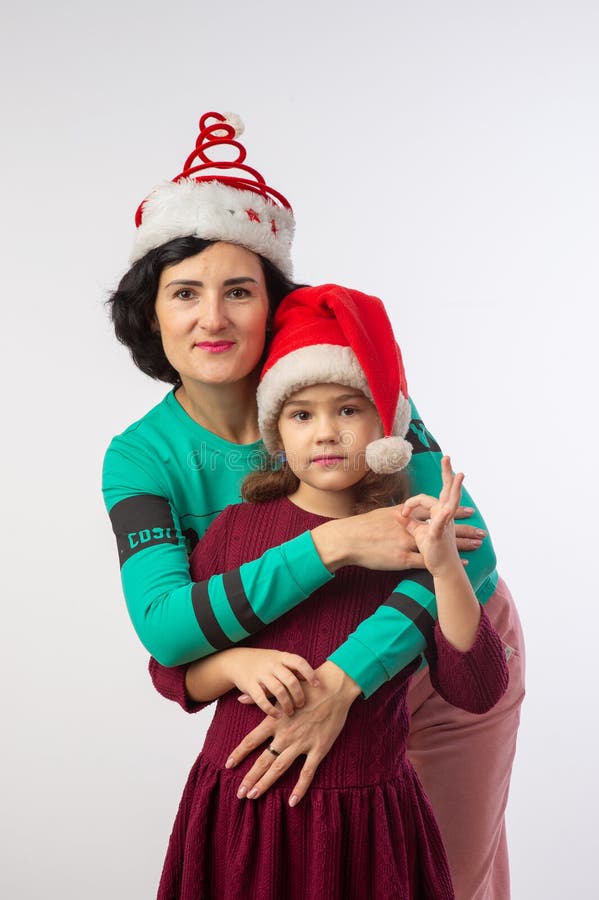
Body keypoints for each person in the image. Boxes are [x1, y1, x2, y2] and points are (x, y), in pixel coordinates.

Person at [103, 111, 525, 899]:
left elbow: (466, 545)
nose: (213, 317)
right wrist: (334, 547)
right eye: (184, 293)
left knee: (448, 875)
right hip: (298, 668)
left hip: (445, 635)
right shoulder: (141, 458)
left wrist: (346, 679)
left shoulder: (340, 384)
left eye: (239, 290)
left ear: (272, 300)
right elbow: (166, 631)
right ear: (150, 313)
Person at [148, 282, 509, 898]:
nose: (324, 433)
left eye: (348, 409)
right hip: (244, 814)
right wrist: (235, 662)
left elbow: (475, 688)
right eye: (300, 414)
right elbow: (170, 671)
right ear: (276, 432)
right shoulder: (236, 529)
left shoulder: (410, 539)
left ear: (387, 428)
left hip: (368, 825)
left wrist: (445, 567)